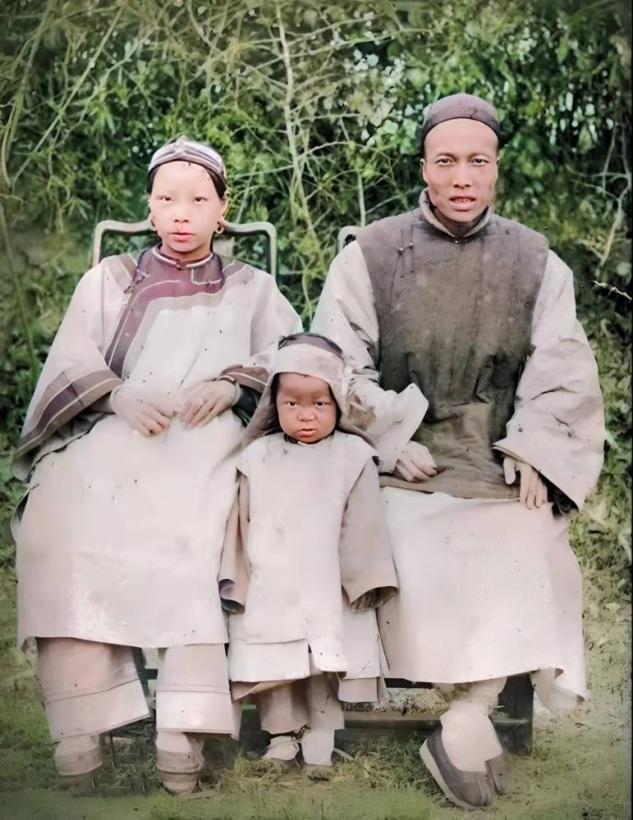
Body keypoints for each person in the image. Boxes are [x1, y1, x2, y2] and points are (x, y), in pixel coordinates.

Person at [312, 93, 604, 809]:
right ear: (424, 168)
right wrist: (389, 435)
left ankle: (470, 710)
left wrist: (534, 446)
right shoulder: (371, 253)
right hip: (398, 458)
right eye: (446, 161)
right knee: (403, 535)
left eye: (477, 161)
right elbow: (334, 363)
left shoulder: (536, 261)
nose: (462, 177)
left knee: (524, 537)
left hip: (496, 457)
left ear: (497, 168)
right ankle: (455, 712)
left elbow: (562, 370)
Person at [12, 136, 301, 794]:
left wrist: (232, 383)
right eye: (167, 199)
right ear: (149, 207)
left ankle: (182, 730)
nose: (181, 213)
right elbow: (71, 362)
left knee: (198, 530)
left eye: (197, 200)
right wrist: (118, 394)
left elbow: (291, 359)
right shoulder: (109, 280)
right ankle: (82, 726)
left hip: (207, 444)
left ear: (222, 210)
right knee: (59, 520)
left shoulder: (252, 289)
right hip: (116, 437)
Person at [219, 332, 398, 776]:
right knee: (274, 663)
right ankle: (282, 737)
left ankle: (320, 737)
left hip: (327, 582)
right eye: (292, 404)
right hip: (271, 581)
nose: (305, 415)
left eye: (319, 403)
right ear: (273, 405)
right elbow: (240, 525)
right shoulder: (257, 456)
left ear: (337, 403)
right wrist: (237, 580)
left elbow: (363, 525)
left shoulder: (352, 455)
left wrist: (363, 580)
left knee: (322, 665)